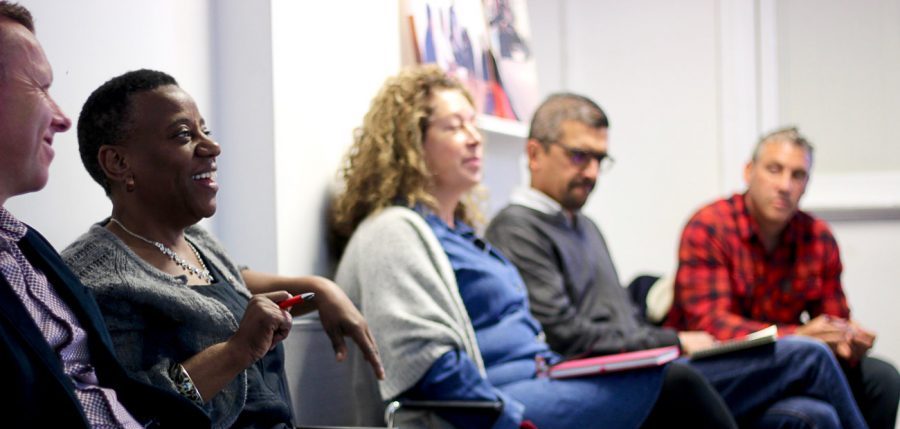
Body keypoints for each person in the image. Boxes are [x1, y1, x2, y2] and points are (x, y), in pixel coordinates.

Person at [331, 65, 739, 429]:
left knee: (679, 375)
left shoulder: (462, 232)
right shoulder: (392, 231)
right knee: (675, 385)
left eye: (474, 124)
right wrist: (506, 418)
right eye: (454, 127)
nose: (474, 139)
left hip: (545, 376)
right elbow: (425, 365)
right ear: (410, 143)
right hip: (502, 396)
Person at [485, 93, 871, 428]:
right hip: (617, 381)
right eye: (579, 156)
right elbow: (566, 335)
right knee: (807, 353)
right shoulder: (518, 229)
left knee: (812, 414)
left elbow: (619, 320)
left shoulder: (583, 225)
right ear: (534, 153)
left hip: (647, 365)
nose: (591, 172)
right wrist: (674, 339)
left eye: (599, 160)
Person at [60, 69, 384, 429]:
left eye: (205, 131)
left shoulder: (196, 240)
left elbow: (236, 285)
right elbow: (136, 414)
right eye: (184, 135)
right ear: (118, 163)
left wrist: (319, 290)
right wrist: (235, 352)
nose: (212, 147)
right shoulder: (93, 279)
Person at [0, 3, 210, 427]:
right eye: (40, 86)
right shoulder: (97, 272)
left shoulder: (27, 245)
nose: (61, 116)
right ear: (117, 163)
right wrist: (242, 348)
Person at [666, 126, 900, 428]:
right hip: (713, 369)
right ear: (749, 171)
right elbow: (711, 325)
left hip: (784, 366)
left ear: (807, 185)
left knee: (881, 378)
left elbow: (832, 318)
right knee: (809, 359)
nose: (784, 185)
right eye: (774, 170)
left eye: (797, 175)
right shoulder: (710, 226)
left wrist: (846, 338)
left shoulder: (817, 237)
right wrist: (797, 339)